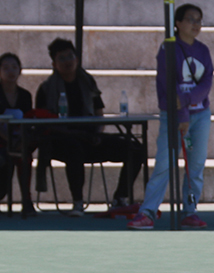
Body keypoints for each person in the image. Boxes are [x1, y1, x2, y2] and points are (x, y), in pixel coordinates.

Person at [35, 38, 147, 217]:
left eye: (70, 56)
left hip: (90, 138)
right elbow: (43, 123)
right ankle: (78, 202)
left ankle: (120, 198)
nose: (67, 61)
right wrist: (75, 134)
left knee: (135, 149)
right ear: (54, 64)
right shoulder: (46, 89)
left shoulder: (87, 82)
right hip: (59, 141)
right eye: (61, 58)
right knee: (74, 148)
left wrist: (97, 134)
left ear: (77, 59)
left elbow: (98, 112)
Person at [128, 4, 213, 230]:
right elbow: (168, 85)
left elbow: (207, 83)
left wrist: (187, 101)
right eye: (190, 19)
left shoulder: (203, 50)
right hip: (173, 117)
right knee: (164, 164)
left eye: (199, 20)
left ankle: (190, 210)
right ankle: (147, 211)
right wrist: (182, 113)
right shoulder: (168, 49)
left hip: (200, 115)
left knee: (195, 167)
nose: (196, 24)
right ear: (178, 23)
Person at [0, 52, 36, 217]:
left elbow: (28, 120)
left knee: (25, 157)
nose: (11, 71)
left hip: (19, 140)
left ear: (20, 70)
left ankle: (26, 201)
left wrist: (21, 140)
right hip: (1, 141)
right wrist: (7, 139)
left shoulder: (25, 95)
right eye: (6, 68)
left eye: (14, 67)